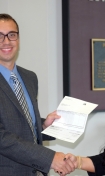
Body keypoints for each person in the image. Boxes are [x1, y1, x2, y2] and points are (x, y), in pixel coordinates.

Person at [0, 13, 75, 176]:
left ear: (18, 40)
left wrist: (42, 125)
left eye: (11, 35)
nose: (6, 41)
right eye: (0, 36)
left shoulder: (29, 77)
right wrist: (49, 158)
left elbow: (19, 123)